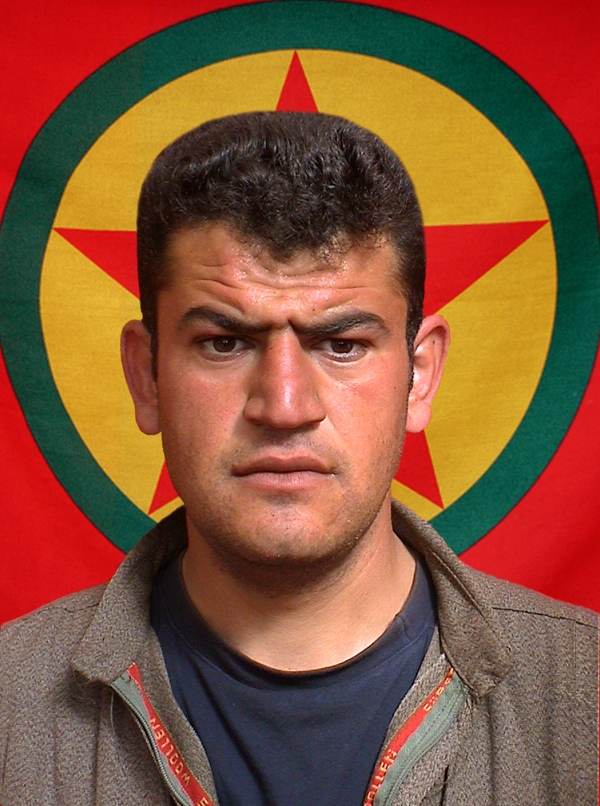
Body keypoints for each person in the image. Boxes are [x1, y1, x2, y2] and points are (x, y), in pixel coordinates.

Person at [0, 112, 597, 806]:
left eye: (342, 344)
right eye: (224, 343)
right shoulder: (11, 702)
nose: (284, 406)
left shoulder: (585, 691)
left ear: (420, 376)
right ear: (147, 376)